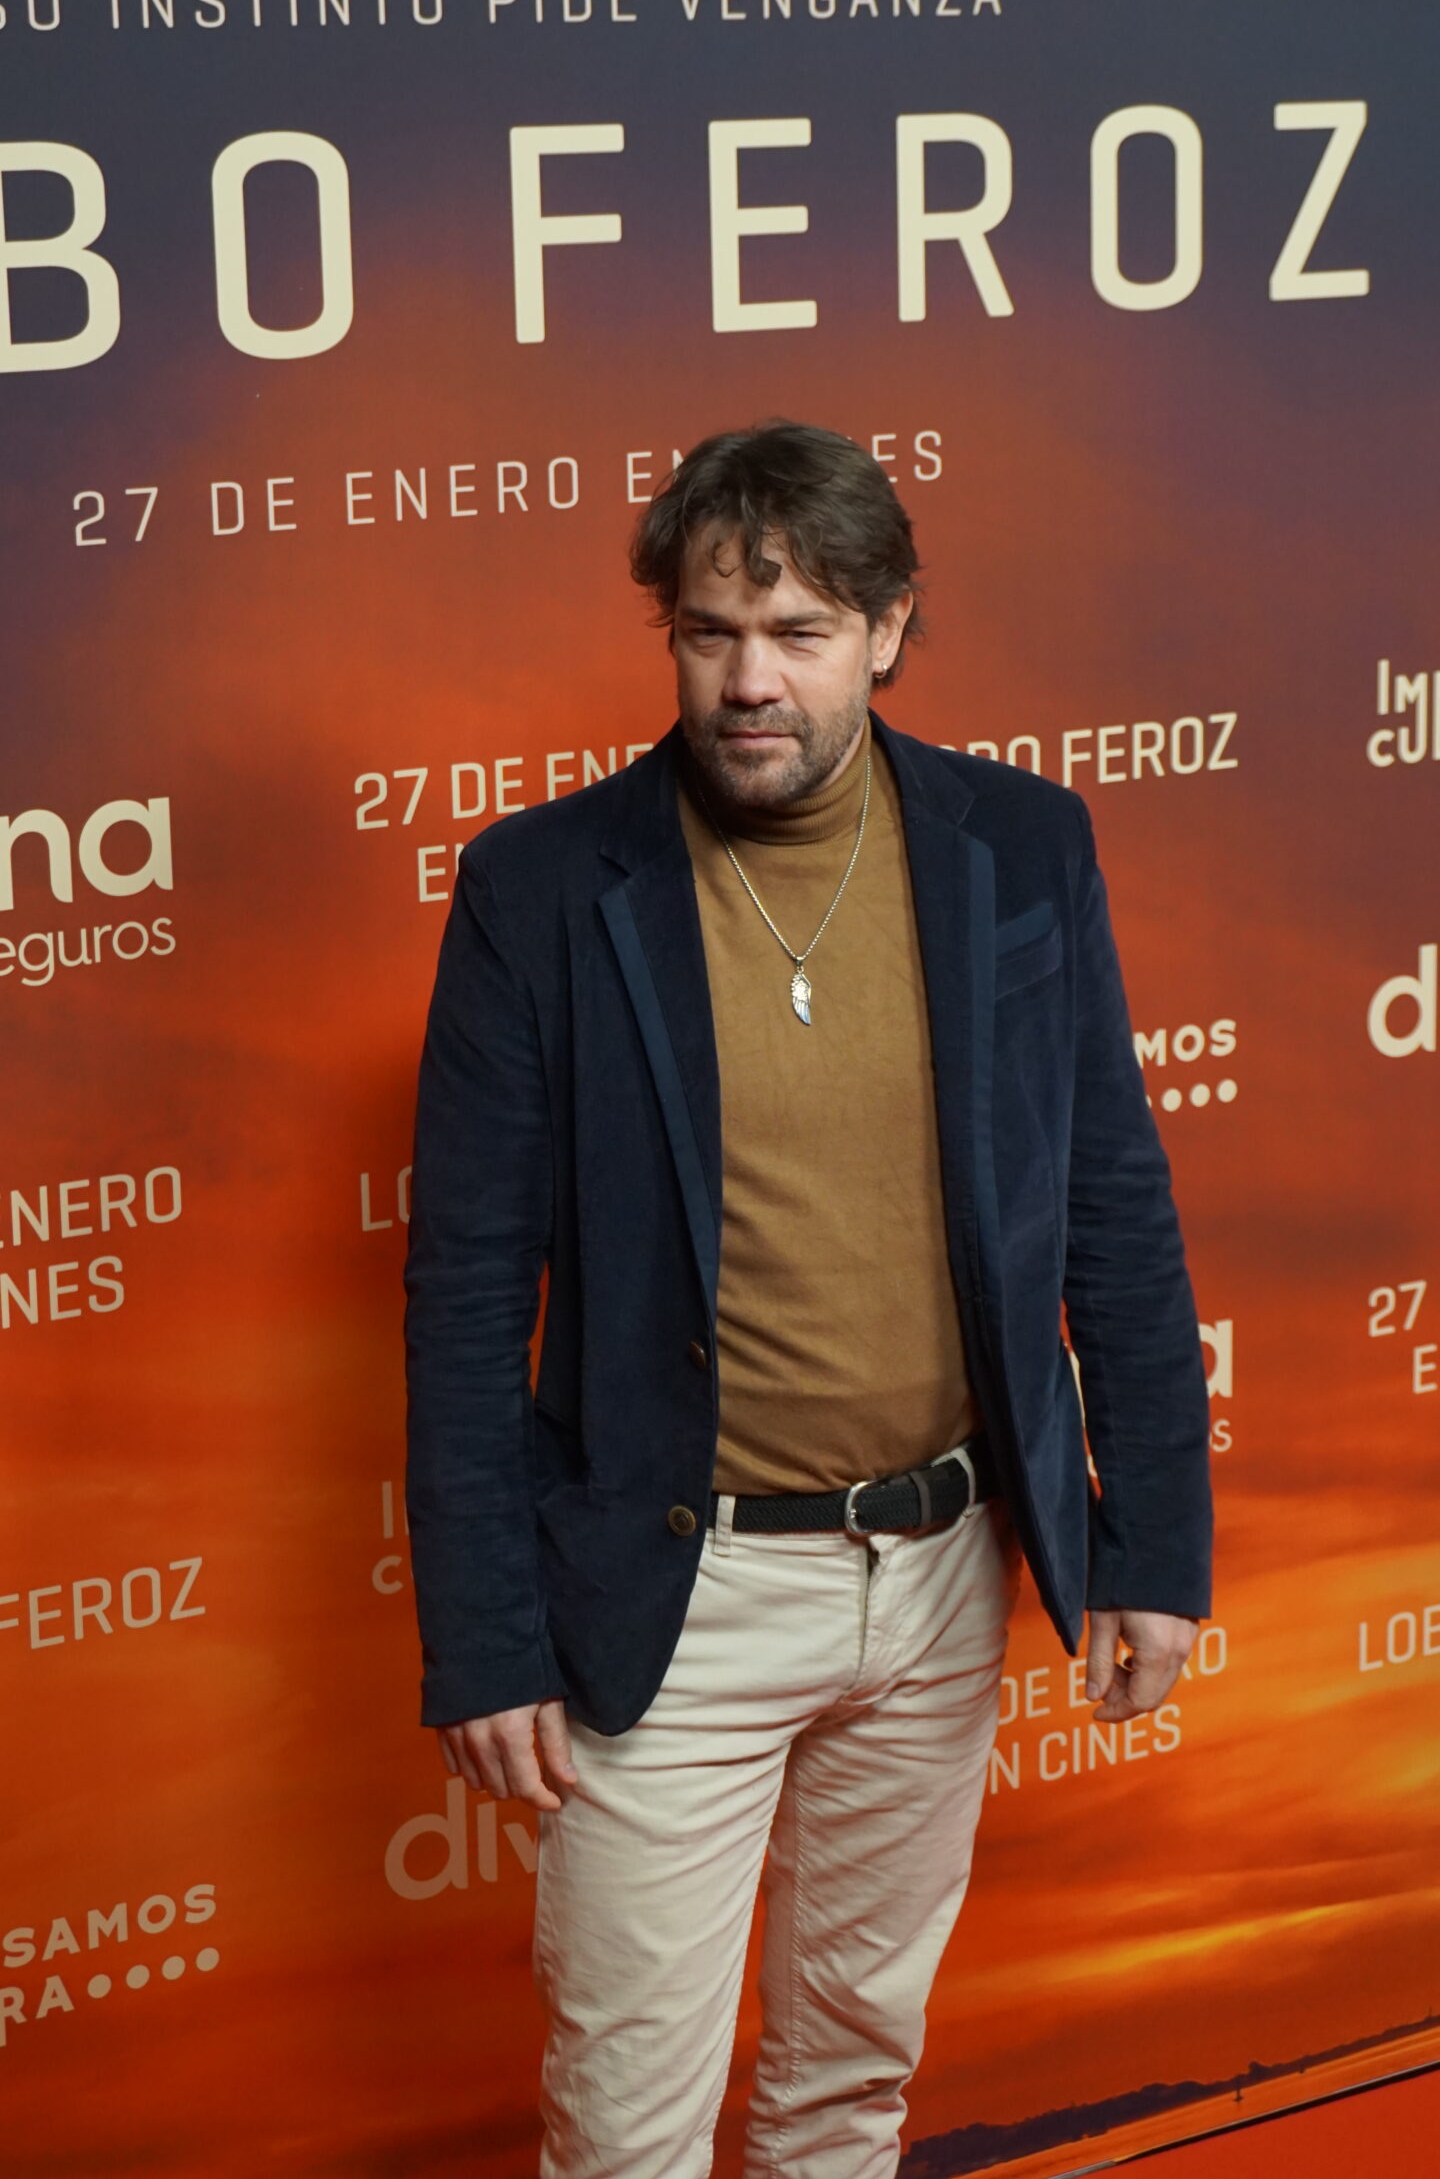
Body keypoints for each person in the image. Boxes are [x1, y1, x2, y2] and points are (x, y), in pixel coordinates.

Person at [402, 419, 1212, 2179]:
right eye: (710, 634)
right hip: (675, 1597)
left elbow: (1112, 1201)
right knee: (627, 2131)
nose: (749, 682)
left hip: (943, 1576)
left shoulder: (1024, 846)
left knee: (849, 2093)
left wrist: (1150, 1539)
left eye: (799, 633)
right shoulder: (542, 888)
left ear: (890, 628)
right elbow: (463, 1290)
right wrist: (485, 1636)